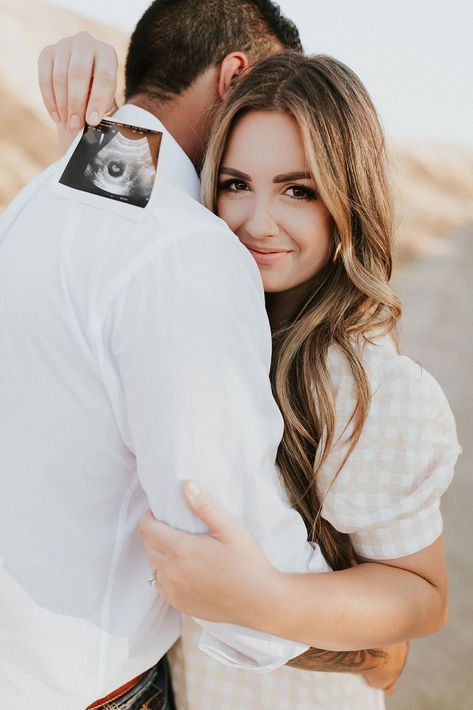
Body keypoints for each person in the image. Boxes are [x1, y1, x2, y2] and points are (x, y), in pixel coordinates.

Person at [41, 35, 461, 710]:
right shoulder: (191, 317)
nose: (257, 222)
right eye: (235, 184)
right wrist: (89, 93)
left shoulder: (373, 387)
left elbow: (423, 599)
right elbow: (113, 205)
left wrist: (264, 598)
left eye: (297, 190)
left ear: (345, 199)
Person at [0, 3, 337, 709]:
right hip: (85, 692)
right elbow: (217, 527)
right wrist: (362, 636)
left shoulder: (46, 195)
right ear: (235, 76)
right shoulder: (184, 250)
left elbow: (123, 179)